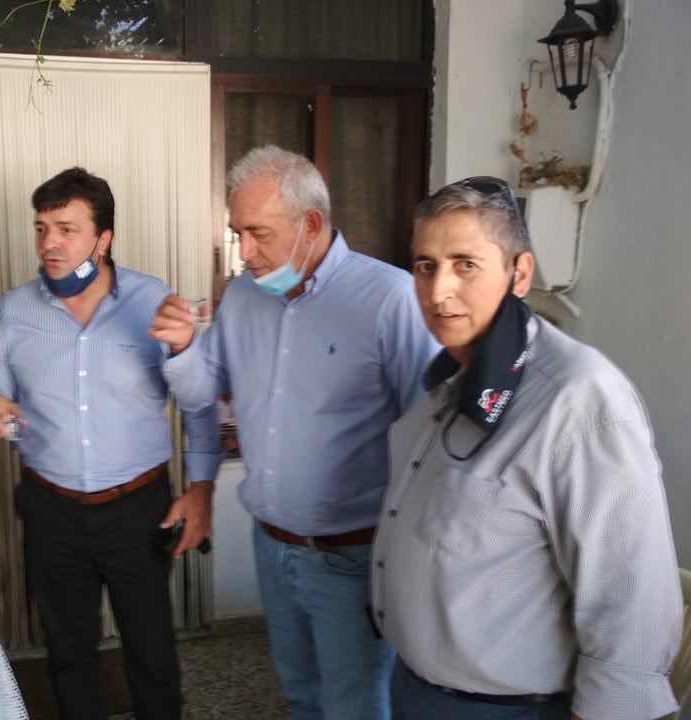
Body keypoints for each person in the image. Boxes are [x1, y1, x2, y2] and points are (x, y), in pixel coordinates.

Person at [370, 176, 682, 720]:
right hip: (417, 688)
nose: (439, 291)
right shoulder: (450, 381)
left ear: (520, 274)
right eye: (425, 266)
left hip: (507, 709)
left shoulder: (579, 400)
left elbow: (629, 598)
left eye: (466, 264)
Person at [148, 145, 439, 720]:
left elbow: (429, 438)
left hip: (352, 557)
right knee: (301, 696)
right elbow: (203, 395)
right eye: (237, 233)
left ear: (310, 224)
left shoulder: (391, 299)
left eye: (258, 233)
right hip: (272, 545)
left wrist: (420, 568)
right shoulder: (242, 297)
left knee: (356, 707)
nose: (244, 252)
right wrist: (182, 349)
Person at [0, 167, 220, 720]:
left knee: (152, 653)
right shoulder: (14, 310)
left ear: (102, 239)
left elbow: (200, 403)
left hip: (138, 510)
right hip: (50, 511)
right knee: (68, 654)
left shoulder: (153, 300)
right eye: (41, 228)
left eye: (67, 229)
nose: (49, 243)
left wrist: (201, 488)